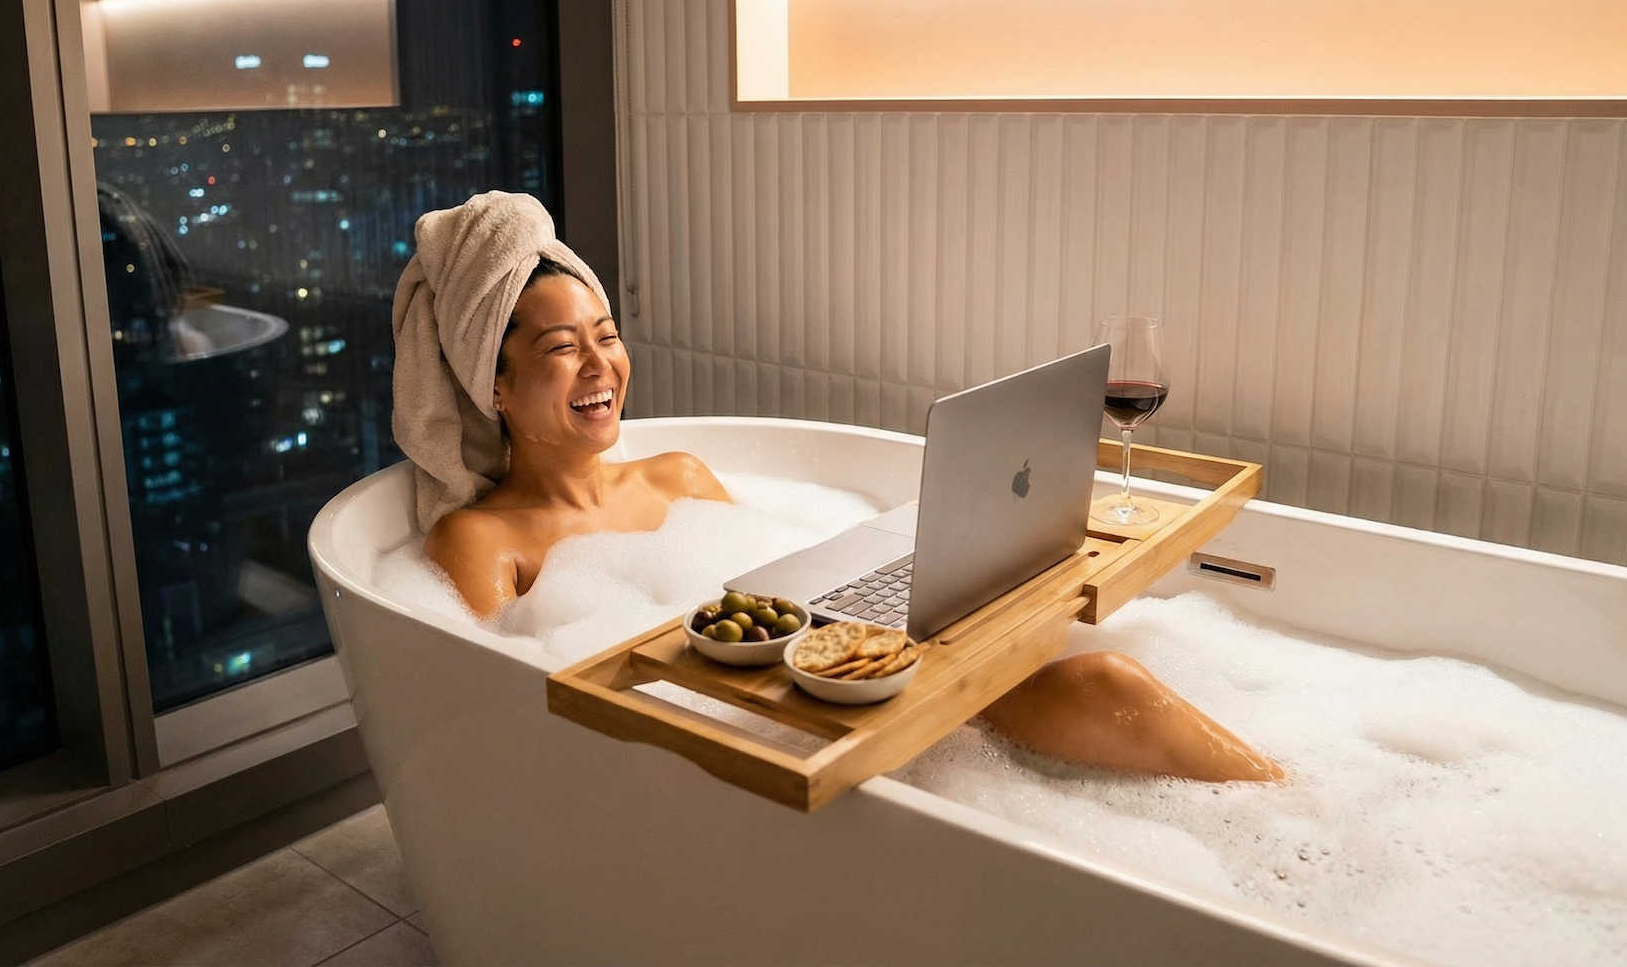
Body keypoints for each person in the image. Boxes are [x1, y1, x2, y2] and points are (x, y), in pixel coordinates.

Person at [400, 192, 1281, 784]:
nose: (600, 366)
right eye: (561, 349)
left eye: (607, 334)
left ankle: (1297, 816)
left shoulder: (682, 475)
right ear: (495, 387)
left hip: (863, 693)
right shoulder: (480, 543)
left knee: (1112, 679)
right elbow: (513, 734)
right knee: (1108, 687)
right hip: (748, 758)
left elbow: (789, 595)